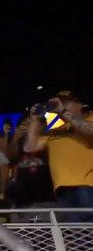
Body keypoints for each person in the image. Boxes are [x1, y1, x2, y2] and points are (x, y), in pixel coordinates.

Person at [24, 91, 93, 222]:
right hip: (63, 190)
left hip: (88, 186)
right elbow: (30, 148)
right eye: (60, 102)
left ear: (82, 105)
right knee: (79, 237)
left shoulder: (90, 119)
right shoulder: (55, 130)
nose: (61, 105)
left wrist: (64, 111)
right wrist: (35, 120)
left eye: (67, 102)